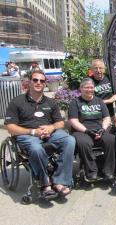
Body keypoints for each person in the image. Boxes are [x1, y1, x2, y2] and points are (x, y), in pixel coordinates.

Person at [4, 69, 75, 199]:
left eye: (42, 81)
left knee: (69, 140)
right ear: (29, 82)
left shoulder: (50, 102)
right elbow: (10, 127)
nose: (38, 83)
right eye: (35, 80)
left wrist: (51, 127)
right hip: (27, 134)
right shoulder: (17, 102)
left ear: (45, 84)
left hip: (49, 134)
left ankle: (60, 180)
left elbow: (60, 122)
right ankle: (44, 182)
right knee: (36, 148)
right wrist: (32, 132)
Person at [68, 78, 115, 181]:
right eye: (87, 87)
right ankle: (91, 171)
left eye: (92, 87)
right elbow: (73, 121)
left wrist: (103, 129)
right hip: (82, 131)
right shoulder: (75, 103)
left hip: (99, 129)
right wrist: (87, 131)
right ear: (81, 89)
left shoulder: (99, 101)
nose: (90, 90)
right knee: (84, 143)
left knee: (111, 139)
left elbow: (106, 118)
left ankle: (108, 170)